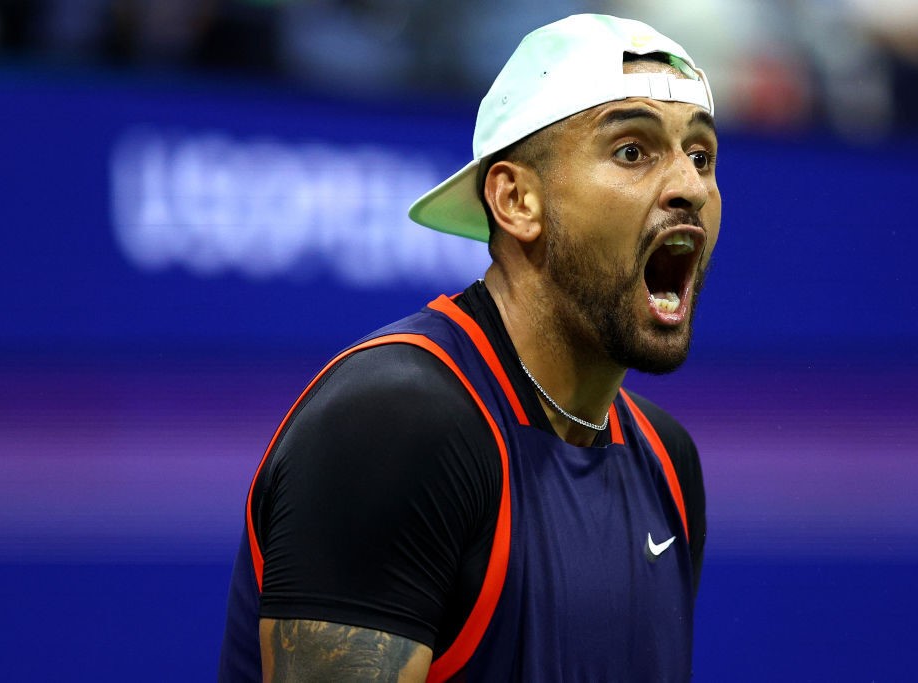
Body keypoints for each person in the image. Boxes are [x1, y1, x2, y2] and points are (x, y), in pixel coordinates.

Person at [219, 13, 720, 682]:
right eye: (633, 151)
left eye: (701, 155)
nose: (689, 185)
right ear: (516, 200)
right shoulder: (394, 427)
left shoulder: (668, 462)